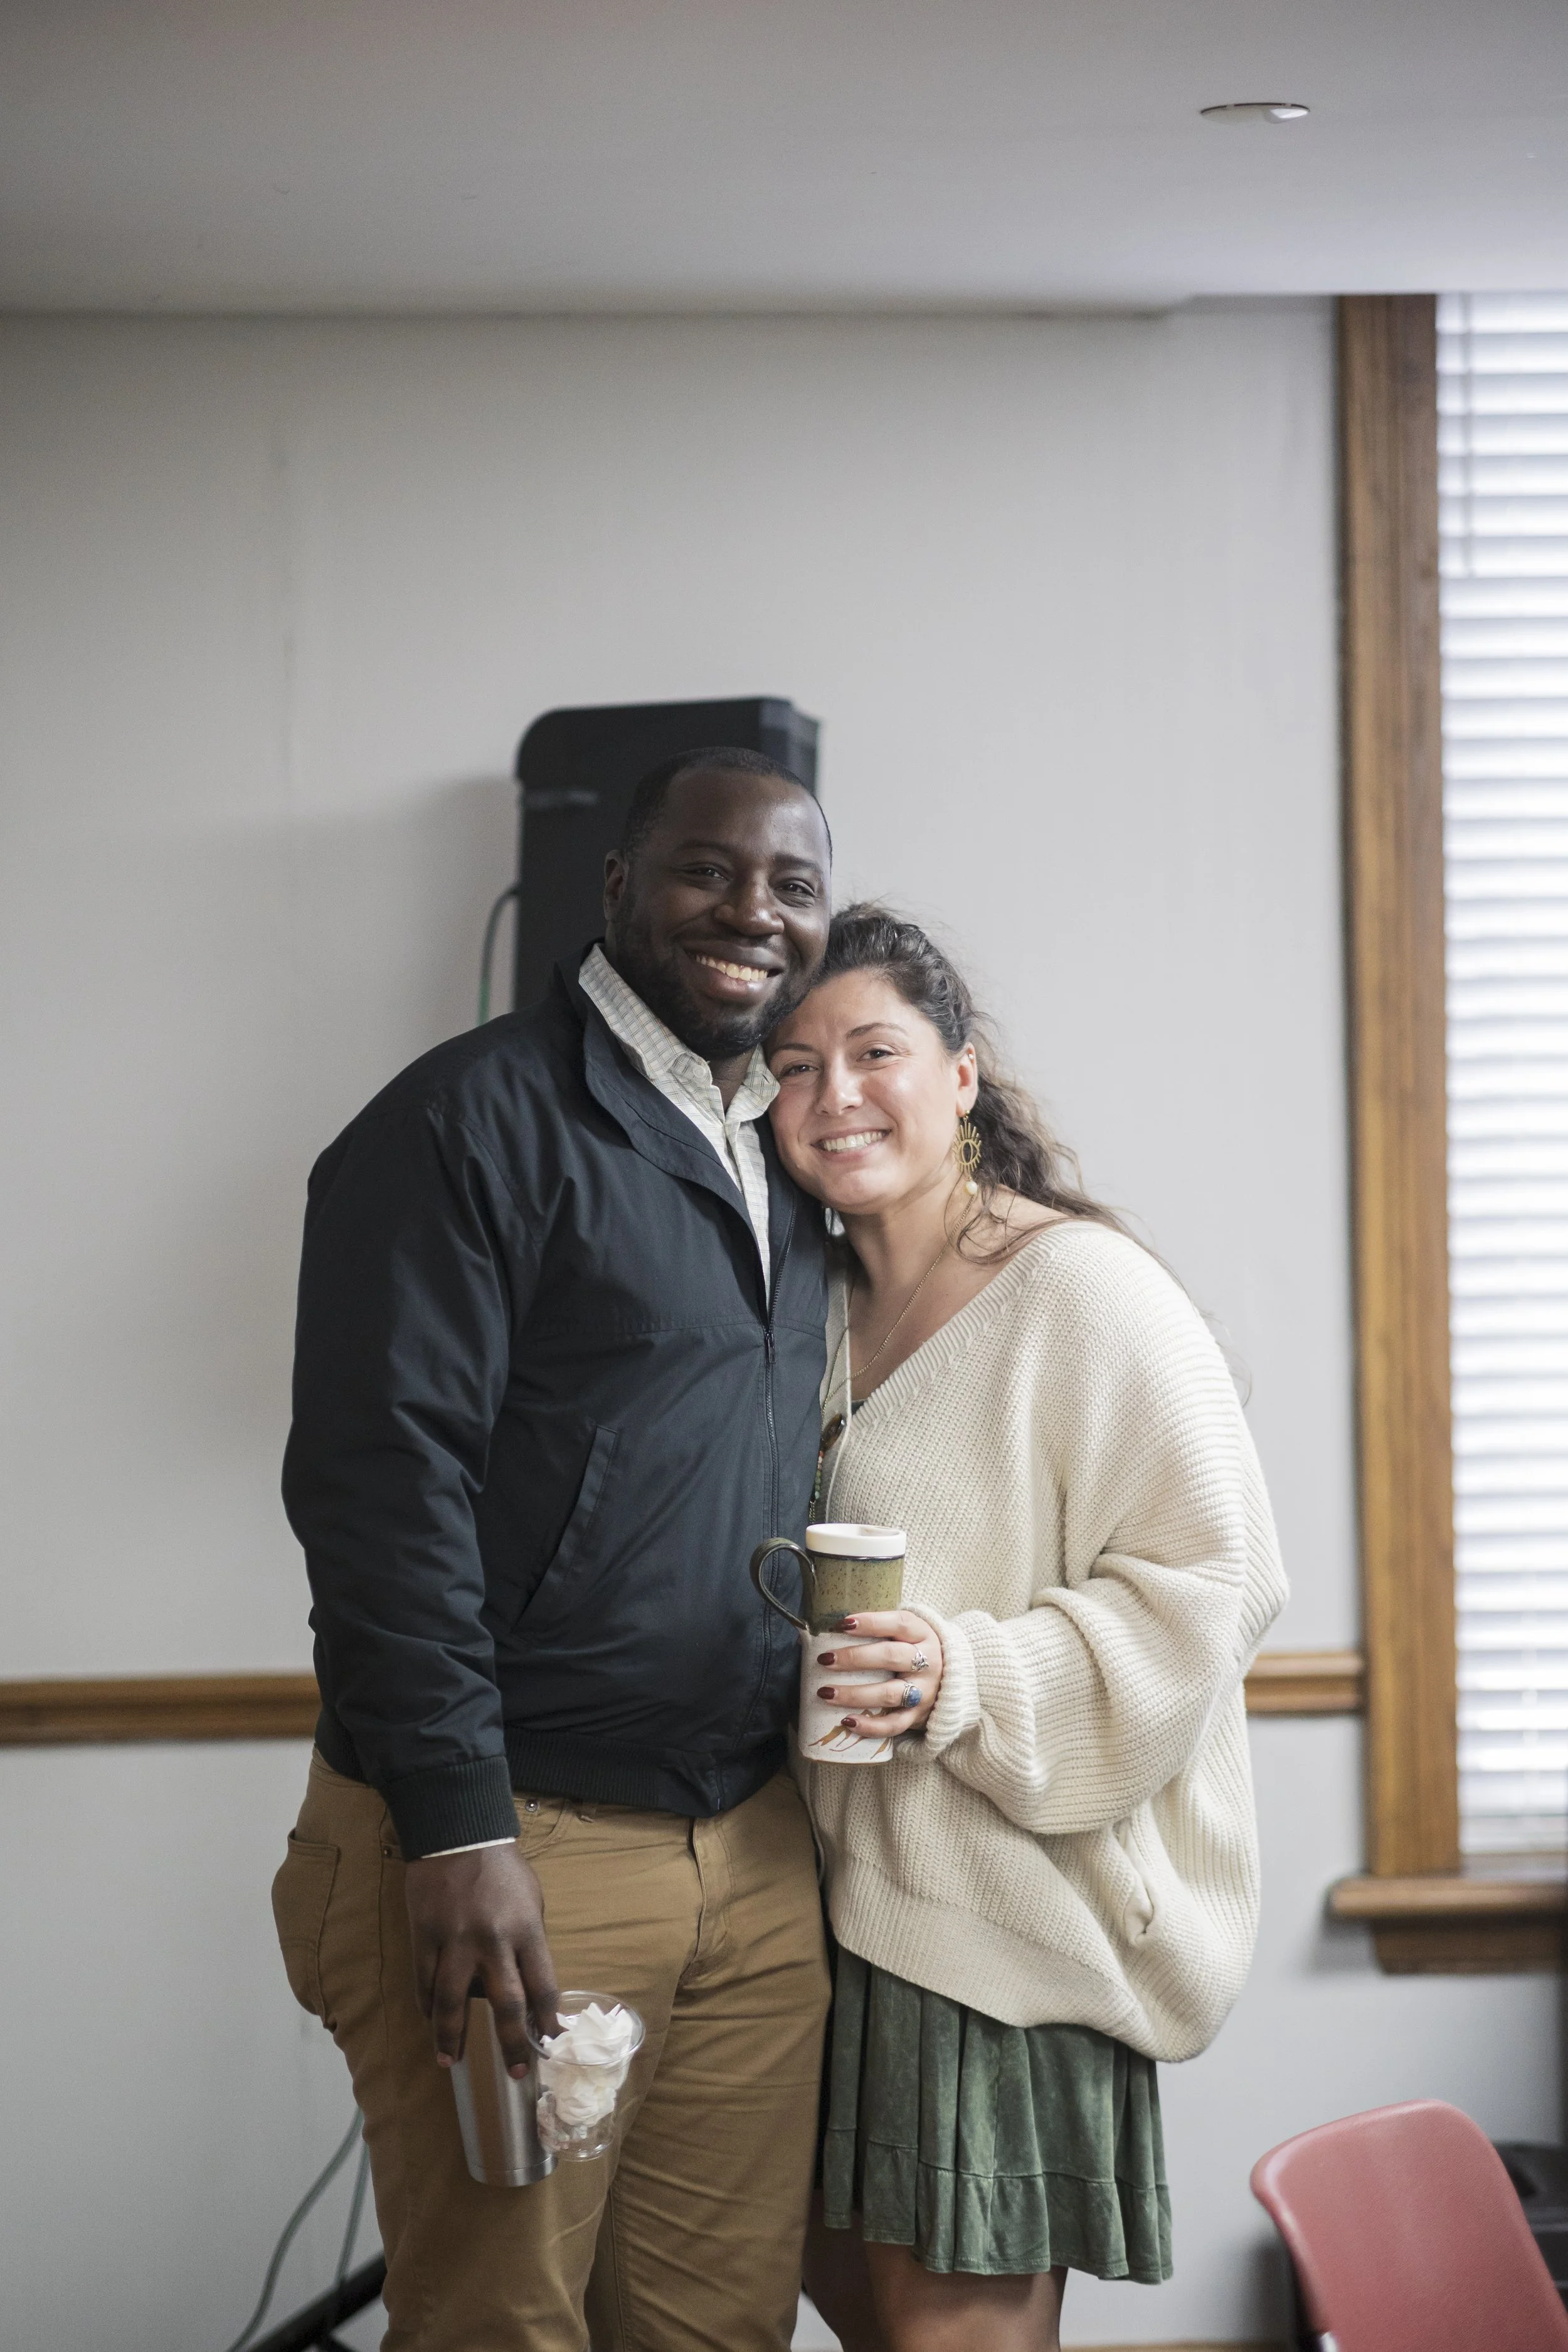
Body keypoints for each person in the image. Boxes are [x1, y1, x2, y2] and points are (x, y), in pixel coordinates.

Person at [271, 749, 836, 2352]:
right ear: (614, 889)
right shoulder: (461, 1125)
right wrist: (455, 1835)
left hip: (755, 1849)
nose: (751, 914)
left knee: (716, 2331)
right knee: (497, 2328)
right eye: (705, 871)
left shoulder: (792, 1152)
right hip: (519, 1852)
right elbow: (384, 1490)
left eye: (791, 884)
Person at [764, 906, 1289, 2352]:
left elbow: (1215, 1576)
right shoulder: (794, 1309)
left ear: (961, 1077)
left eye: (875, 1051)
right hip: (815, 1924)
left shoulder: (1079, 1289)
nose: (835, 1095)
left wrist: (965, 1672)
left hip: (995, 1936)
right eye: (794, 1066)